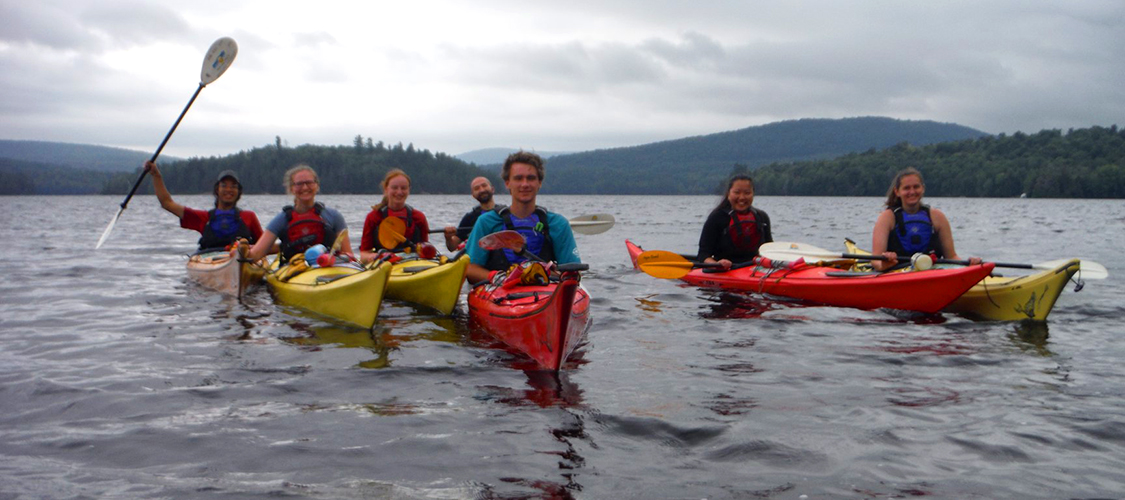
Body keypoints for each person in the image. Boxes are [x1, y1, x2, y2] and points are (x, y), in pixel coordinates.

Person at [463, 151, 580, 283]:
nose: (524, 184)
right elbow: (470, 269)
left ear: (539, 182)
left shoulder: (557, 223)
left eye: (530, 178)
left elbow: (573, 272)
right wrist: (498, 278)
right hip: (499, 292)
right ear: (508, 183)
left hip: (544, 293)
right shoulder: (487, 222)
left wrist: (557, 274)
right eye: (518, 178)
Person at [871, 167, 979, 271]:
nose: (912, 192)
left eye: (916, 187)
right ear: (897, 192)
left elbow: (952, 256)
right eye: (906, 188)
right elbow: (876, 261)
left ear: (923, 188)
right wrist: (884, 264)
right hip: (896, 272)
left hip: (931, 272)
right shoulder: (887, 218)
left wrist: (969, 264)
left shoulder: (937, 217)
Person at [239, 164, 351, 263]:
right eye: (299, 184)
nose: (305, 187)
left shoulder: (334, 216)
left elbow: (349, 256)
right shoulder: (281, 219)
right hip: (293, 271)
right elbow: (255, 255)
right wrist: (240, 252)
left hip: (328, 268)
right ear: (292, 188)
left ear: (316, 185)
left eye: (309, 182)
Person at [145, 161, 263, 251]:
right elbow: (167, 203)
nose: (229, 189)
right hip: (210, 261)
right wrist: (156, 175)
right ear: (217, 190)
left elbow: (265, 245)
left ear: (238, 192)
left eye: (233, 186)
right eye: (224, 185)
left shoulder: (249, 217)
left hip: (242, 260)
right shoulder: (203, 217)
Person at [697, 174, 773, 269]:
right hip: (725, 270)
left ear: (753, 194)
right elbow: (703, 255)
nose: (742, 197)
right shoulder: (717, 217)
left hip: (754, 269)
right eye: (737, 192)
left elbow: (770, 251)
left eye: (747, 193)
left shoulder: (762, 217)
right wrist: (717, 264)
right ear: (729, 193)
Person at [359, 169, 431, 262]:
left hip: (412, 264)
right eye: (394, 188)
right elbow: (364, 254)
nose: (399, 192)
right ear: (386, 189)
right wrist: (372, 257)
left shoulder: (418, 217)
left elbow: (425, 249)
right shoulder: (373, 217)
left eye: (403, 188)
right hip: (384, 264)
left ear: (409, 190)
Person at [442, 176, 504, 252]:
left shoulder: (505, 214)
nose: (481, 190)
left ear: (492, 189)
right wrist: (448, 238)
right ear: (473, 195)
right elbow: (452, 247)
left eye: (484, 185)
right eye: (477, 188)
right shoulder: (469, 218)